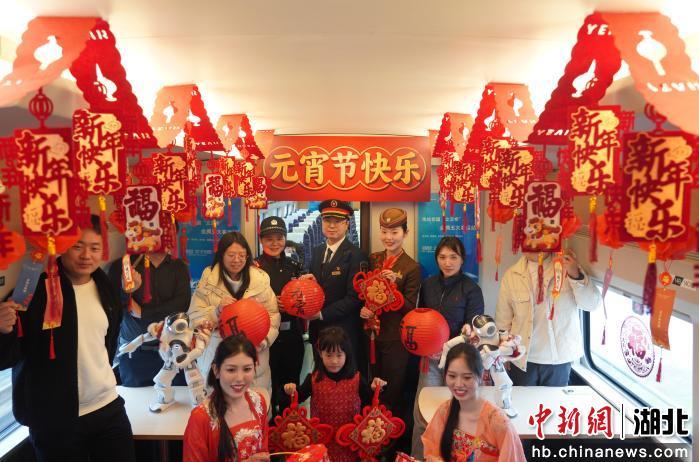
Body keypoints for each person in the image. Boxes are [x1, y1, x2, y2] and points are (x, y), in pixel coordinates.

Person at [0, 215, 136, 462]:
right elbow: (7, 357)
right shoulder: (33, 292)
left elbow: (108, 342)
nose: (86, 256)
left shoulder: (105, 286)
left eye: (95, 248)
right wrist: (2, 330)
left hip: (107, 406)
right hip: (54, 419)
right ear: (62, 246)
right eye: (77, 246)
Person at [412, 236, 484, 459]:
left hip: (459, 363)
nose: (448, 262)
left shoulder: (471, 289)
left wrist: (454, 343)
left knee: (460, 416)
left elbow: (475, 330)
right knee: (423, 413)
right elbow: (419, 319)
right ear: (437, 259)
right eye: (442, 257)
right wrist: (426, 347)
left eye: (453, 257)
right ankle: (419, 457)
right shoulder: (428, 285)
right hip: (430, 360)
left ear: (462, 259)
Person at [188, 231, 280, 396]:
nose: (237, 260)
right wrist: (216, 311)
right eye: (231, 255)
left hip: (254, 356)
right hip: (218, 356)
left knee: (254, 404)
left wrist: (264, 341)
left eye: (242, 255)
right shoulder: (208, 280)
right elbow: (194, 317)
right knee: (218, 405)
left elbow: (273, 315)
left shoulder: (260, 281)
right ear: (221, 255)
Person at [495, 250, 601, 386]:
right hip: (521, 358)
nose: (535, 244)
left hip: (559, 359)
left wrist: (576, 275)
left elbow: (591, 305)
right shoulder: (511, 276)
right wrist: (503, 354)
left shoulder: (567, 267)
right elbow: (503, 320)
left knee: (555, 400)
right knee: (522, 399)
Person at [283, 326, 386, 462]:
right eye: (329, 355)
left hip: (350, 443)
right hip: (322, 442)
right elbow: (297, 397)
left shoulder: (357, 378)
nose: (334, 361)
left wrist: (376, 388)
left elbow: (370, 401)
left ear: (346, 354)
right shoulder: (313, 380)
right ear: (320, 353)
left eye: (339, 355)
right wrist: (290, 390)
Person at [421, 343, 526, 461]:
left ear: (481, 376)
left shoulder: (498, 422)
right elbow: (432, 450)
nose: (458, 384)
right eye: (452, 376)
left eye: (467, 377)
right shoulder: (444, 411)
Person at [360, 208, 420, 413]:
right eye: (384, 231)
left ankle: (391, 431)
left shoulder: (411, 267)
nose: (389, 237)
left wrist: (394, 289)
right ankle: (373, 428)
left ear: (405, 233)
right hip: (371, 335)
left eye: (394, 232)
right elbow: (364, 293)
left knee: (392, 390)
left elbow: (410, 308)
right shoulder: (373, 259)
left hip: (395, 338)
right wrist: (363, 309)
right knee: (372, 388)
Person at [108, 250, 192, 386]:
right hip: (135, 354)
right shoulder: (124, 265)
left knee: (177, 396)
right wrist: (127, 292)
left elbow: (181, 306)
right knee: (135, 397)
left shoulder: (179, 266)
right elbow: (112, 307)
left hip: (173, 353)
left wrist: (143, 313)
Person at [183, 334, 270, 462]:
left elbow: (263, 451)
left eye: (247, 369)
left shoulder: (259, 402)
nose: (239, 378)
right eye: (231, 370)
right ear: (216, 370)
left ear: (255, 368)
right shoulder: (201, 418)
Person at [306, 199, 367, 369]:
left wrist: (321, 314)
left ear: (347, 224)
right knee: (320, 376)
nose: (332, 226)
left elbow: (354, 298)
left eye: (338, 221)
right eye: (327, 220)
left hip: (343, 333)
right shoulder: (317, 251)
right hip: (319, 331)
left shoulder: (356, 255)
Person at [254, 216, 305, 415]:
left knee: (291, 384)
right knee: (267, 385)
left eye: (279, 238)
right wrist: (271, 303)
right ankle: (269, 425)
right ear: (261, 240)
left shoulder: (295, 265)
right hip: (265, 336)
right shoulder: (254, 268)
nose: (275, 243)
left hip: (293, 335)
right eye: (269, 239)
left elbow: (306, 297)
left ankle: (289, 425)